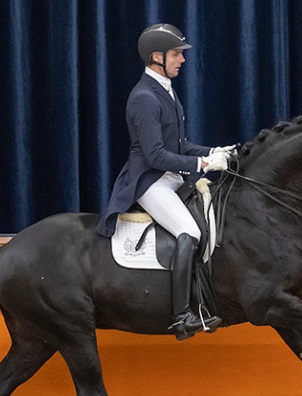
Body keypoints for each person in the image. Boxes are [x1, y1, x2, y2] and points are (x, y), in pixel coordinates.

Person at [96, 23, 235, 340]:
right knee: (189, 231)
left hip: (173, 177)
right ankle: (181, 315)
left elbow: (179, 145)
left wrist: (215, 151)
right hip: (150, 181)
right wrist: (203, 163)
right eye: (176, 54)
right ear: (156, 57)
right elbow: (156, 155)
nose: (182, 60)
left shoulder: (165, 90)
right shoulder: (144, 97)